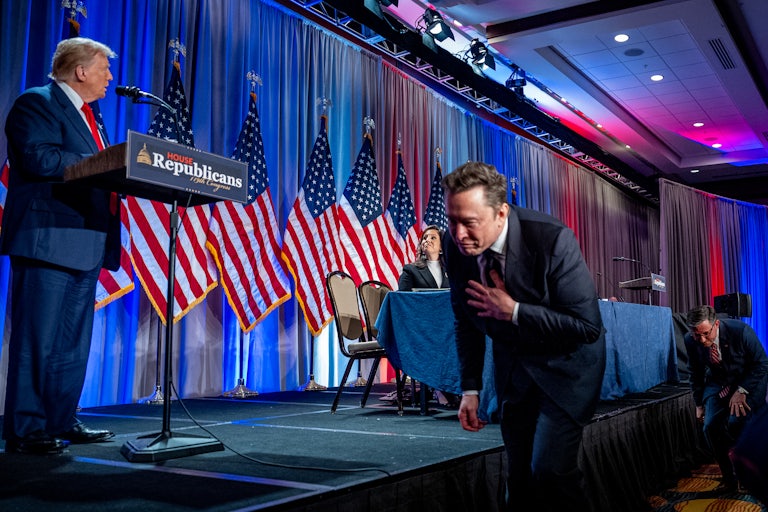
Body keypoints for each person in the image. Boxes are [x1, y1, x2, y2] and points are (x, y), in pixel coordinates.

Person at [442, 161, 605, 511]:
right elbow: (466, 319)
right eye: (451, 220)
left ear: (501, 213)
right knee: (518, 481)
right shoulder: (454, 245)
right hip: (515, 373)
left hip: (567, 371)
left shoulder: (551, 238)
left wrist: (514, 311)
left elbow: (587, 327)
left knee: (550, 473)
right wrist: (470, 389)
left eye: (469, 222)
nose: (458, 234)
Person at [1, 37, 121, 454]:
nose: (109, 77)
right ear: (81, 71)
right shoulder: (37, 102)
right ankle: (25, 429)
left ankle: (60, 418)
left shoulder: (92, 117)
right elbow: (38, 158)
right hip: (47, 239)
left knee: (72, 343)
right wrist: (107, 164)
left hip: (86, 240)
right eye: (104, 68)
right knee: (38, 339)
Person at [684, 305, 768, 491]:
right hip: (719, 382)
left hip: (749, 380)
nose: (702, 340)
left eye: (706, 333)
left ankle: (749, 474)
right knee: (710, 427)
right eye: (697, 335)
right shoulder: (691, 340)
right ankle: (729, 479)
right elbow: (695, 373)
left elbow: (762, 364)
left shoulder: (741, 332)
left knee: (736, 423)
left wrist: (742, 390)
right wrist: (699, 403)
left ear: (716, 324)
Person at [397, 225, 449, 291]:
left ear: (441, 247)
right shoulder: (410, 270)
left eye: (433, 238)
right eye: (425, 238)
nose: (427, 240)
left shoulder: (452, 270)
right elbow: (403, 296)